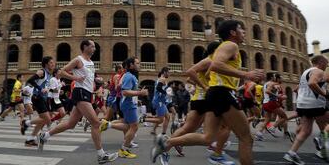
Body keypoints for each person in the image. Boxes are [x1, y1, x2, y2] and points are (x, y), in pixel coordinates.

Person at [151, 20, 264, 165]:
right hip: (222, 93)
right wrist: (245, 75)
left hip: (215, 94)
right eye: (241, 29)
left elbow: (213, 67)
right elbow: (215, 65)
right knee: (246, 138)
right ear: (233, 33)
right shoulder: (231, 45)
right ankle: (216, 154)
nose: (244, 32)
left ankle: (165, 144)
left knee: (208, 138)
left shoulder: (224, 48)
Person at [37, 39, 118, 164]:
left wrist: (97, 81)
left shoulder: (90, 62)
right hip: (80, 93)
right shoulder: (78, 60)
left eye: (95, 47)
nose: (95, 49)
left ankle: (44, 136)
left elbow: (89, 77)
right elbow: (62, 72)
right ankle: (101, 155)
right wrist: (75, 78)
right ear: (85, 47)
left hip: (86, 94)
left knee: (71, 124)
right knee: (96, 123)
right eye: (92, 46)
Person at [283, 55, 329, 165]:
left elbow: (299, 88)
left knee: (306, 131)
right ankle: (320, 138)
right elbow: (312, 83)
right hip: (314, 104)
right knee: (325, 124)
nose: (327, 65)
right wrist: (324, 94)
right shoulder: (318, 71)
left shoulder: (306, 72)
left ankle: (291, 154)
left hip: (302, 104)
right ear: (321, 62)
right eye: (326, 63)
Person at [100, 57, 148, 159]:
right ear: (131, 65)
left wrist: (137, 94)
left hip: (130, 103)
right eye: (137, 63)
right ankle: (124, 149)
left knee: (127, 126)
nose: (140, 65)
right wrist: (140, 92)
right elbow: (125, 92)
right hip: (128, 104)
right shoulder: (129, 76)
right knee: (134, 127)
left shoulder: (131, 76)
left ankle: (108, 125)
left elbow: (129, 90)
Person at [21, 56, 55, 146]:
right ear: (46, 64)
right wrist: (40, 88)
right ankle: (26, 123)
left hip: (42, 98)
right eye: (51, 63)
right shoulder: (42, 71)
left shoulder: (48, 74)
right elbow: (30, 80)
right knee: (47, 119)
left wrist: (48, 90)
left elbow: (45, 87)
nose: (53, 64)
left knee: (43, 120)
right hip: (37, 97)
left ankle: (30, 139)